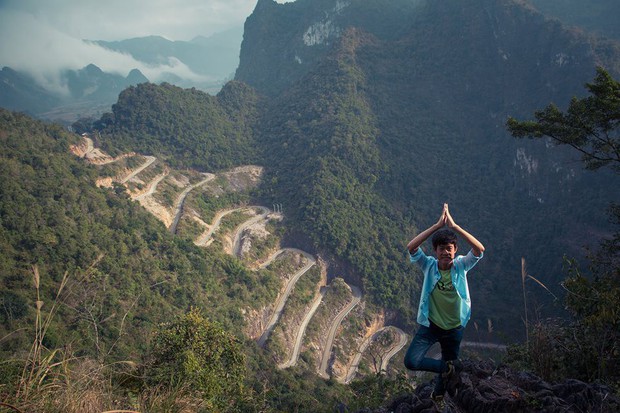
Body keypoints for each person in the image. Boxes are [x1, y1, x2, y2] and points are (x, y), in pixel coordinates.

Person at [404, 203, 485, 401]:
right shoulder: (428, 266)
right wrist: (437, 226)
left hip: (454, 328)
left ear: (455, 250)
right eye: (441, 249)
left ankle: (438, 395)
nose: (445, 253)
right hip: (430, 325)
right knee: (411, 361)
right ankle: (448, 367)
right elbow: (411, 247)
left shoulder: (461, 266)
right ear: (435, 251)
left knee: (446, 370)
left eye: (449, 249)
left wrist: (455, 227)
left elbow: (479, 249)